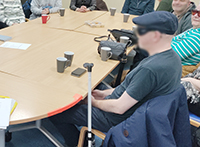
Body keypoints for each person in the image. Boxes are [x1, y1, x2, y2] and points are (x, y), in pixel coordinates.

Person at [50, 11, 181, 147]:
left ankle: (79, 142)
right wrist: (105, 93)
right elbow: (133, 88)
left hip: (116, 118)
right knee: (98, 85)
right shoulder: (172, 58)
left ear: (155, 35)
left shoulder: (150, 69)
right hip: (132, 105)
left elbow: (119, 108)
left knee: (58, 111)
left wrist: (93, 102)